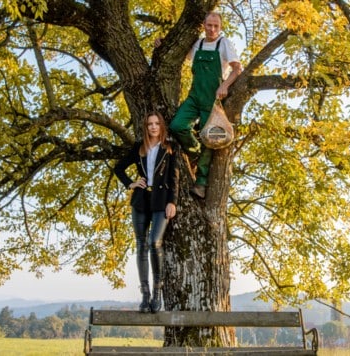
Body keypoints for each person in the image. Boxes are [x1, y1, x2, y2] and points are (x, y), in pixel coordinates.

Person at [168, 11, 242, 199]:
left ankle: (201, 183)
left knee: (209, 138)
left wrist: (224, 86)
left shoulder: (223, 43)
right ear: (203, 25)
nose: (212, 29)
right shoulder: (198, 44)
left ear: (221, 27)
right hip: (194, 96)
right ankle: (194, 153)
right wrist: (162, 44)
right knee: (177, 126)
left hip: (212, 99)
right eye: (209, 25)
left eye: (216, 26)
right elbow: (178, 53)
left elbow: (237, 69)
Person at [114, 111, 179, 313]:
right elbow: (119, 168)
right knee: (141, 244)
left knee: (154, 242)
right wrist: (131, 184)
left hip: (161, 201)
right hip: (141, 200)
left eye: (156, 123)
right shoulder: (138, 148)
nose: (153, 127)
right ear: (146, 127)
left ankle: (157, 293)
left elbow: (174, 178)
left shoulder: (169, 148)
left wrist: (173, 202)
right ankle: (145, 296)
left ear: (161, 126)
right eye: (150, 124)